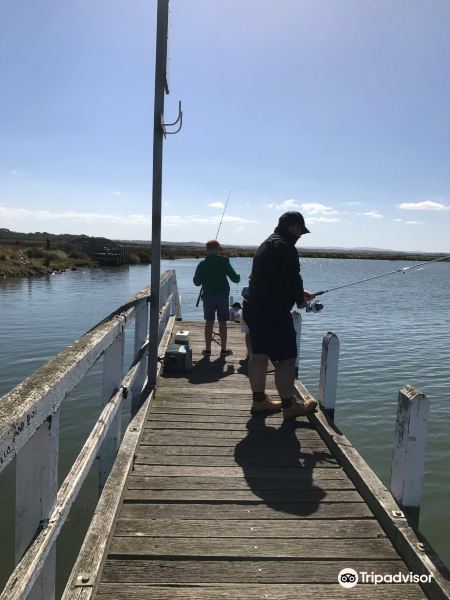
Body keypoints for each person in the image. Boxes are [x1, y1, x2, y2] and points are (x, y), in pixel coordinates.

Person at [243, 211, 318, 419]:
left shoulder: (266, 244)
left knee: (258, 355)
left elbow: (272, 279)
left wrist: (296, 294)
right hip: (273, 311)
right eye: (300, 231)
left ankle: (259, 402)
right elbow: (293, 278)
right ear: (293, 226)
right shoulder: (286, 247)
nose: (300, 235)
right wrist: (301, 301)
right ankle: (289, 406)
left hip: (254, 307)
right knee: (286, 359)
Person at [193, 240, 240, 357]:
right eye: (219, 249)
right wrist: (239, 277)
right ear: (217, 249)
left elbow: (196, 282)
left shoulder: (202, 264)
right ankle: (223, 350)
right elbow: (235, 278)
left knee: (209, 322)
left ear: (207, 249)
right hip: (222, 297)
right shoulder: (224, 262)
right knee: (222, 322)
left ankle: (208, 350)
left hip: (208, 297)